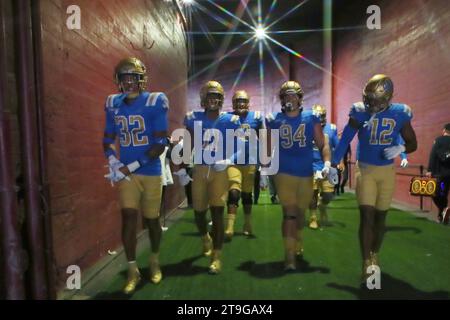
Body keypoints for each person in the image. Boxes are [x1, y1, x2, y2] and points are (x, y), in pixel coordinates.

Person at [332, 74, 417, 283]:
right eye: (367, 99)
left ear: (387, 98)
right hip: (365, 169)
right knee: (367, 215)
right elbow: (345, 140)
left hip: (387, 171)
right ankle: (366, 261)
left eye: (375, 100)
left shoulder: (400, 114)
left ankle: (374, 253)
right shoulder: (359, 112)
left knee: (381, 218)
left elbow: (412, 143)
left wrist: (401, 148)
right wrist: (333, 163)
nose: (370, 104)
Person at [103, 57, 169, 294]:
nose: (129, 82)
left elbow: (161, 142)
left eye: (134, 77)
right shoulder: (112, 103)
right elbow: (108, 139)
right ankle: (132, 270)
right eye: (125, 77)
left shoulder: (155, 100)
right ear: (118, 81)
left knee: (151, 220)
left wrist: (129, 166)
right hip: (127, 175)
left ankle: (154, 260)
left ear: (142, 79)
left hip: (150, 171)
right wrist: (112, 160)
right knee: (129, 217)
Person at [265, 81, 334, 271]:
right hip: (283, 173)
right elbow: (267, 148)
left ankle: (298, 238)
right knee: (289, 214)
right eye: (286, 95)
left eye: (293, 95)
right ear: (281, 99)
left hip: (305, 173)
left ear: (300, 98)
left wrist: (327, 162)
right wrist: (264, 168)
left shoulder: (311, 118)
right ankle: (288, 257)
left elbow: (322, 144)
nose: (290, 99)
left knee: (300, 215)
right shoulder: (274, 119)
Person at [178, 80, 241, 274]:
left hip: (219, 171)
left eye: (216, 97)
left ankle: (216, 256)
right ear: (203, 99)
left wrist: (228, 159)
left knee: (217, 213)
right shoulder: (192, 118)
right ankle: (205, 237)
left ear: (221, 100)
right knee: (198, 213)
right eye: (209, 97)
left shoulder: (230, 120)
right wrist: (182, 167)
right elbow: (187, 144)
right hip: (199, 169)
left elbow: (240, 146)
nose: (213, 100)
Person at [225, 90, 264, 240]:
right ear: (234, 103)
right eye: (238, 101)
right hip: (232, 162)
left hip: (250, 161)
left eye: (243, 101)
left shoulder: (256, 118)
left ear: (248, 103)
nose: (241, 104)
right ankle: (229, 227)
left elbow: (263, 138)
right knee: (234, 192)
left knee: (247, 195)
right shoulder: (227, 118)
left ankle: (247, 223)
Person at [309, 104, 339, 229]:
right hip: (311, 166)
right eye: (317, 116)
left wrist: (340, 161)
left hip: (328, 166)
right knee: (312, 194)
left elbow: (337, 146)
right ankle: (313, 218)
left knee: (328, 194)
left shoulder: (331, 129)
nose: (319, 119)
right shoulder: (305, 129)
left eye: (321, 116)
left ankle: (323, 206)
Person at [426, 123, 450, 224]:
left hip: (440, 175)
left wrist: (429, 170)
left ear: (444, 130)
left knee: (437, 193)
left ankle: (442, 210)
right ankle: (443, 212)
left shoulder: (438, 141)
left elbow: (433, 156)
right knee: (443, 193)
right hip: (448, 174)